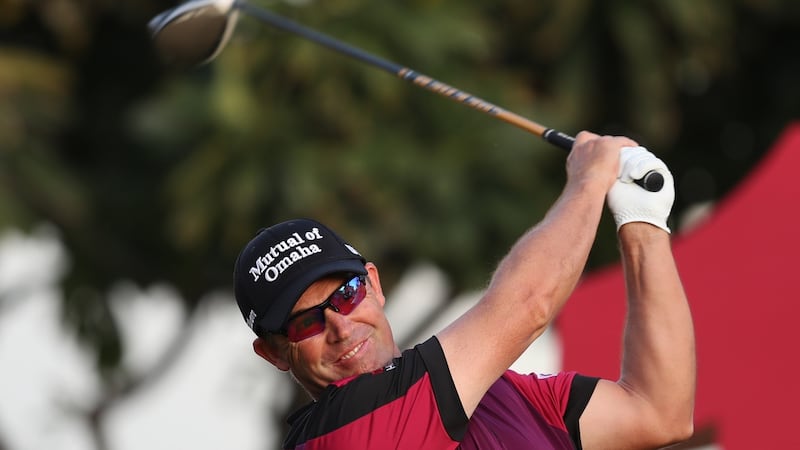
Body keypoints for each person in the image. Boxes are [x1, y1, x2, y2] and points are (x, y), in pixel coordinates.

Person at [233, 132, 696, 449]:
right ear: (273, 353)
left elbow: (658, 413)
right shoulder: (341, 432)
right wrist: (590, 180)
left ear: (374, 284)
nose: (339, 325)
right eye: (307, 322)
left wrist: (643, 223)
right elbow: (528, 305)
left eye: (347, 293)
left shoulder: (498, 394)